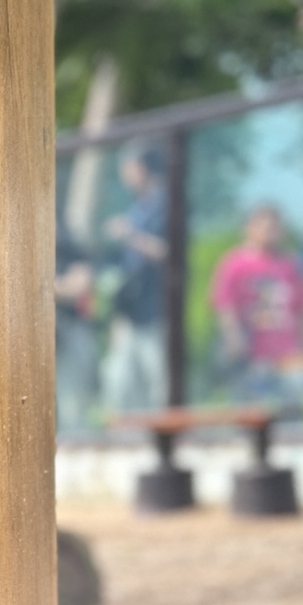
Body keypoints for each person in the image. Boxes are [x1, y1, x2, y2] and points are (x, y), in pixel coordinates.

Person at [208, 204, 303, 399]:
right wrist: (233, 338)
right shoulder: (235, 264)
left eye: (275, 226)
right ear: (249, 228)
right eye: (265, 225)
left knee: (293, 405)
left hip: (286, 353)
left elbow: (302, 307)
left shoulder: (289, 264)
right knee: (251, 409)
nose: (270, 230)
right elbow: (224, 304)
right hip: (251, 354)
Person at [99, 145, 171, 411]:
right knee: (121, 384)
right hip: (131, 313)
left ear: (141, 167)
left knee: (160, 386)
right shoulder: (137, 207)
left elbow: (168, 253)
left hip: (157, 312)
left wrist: (129, 234)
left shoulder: (166, 204)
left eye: (127, 168)